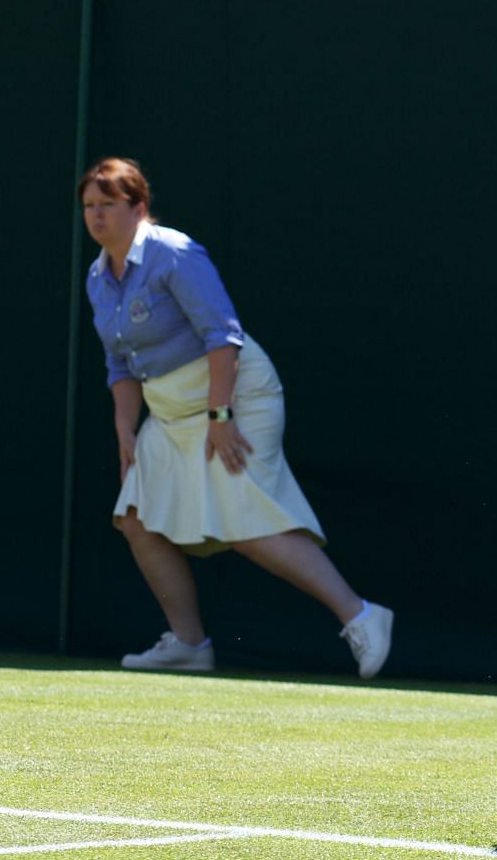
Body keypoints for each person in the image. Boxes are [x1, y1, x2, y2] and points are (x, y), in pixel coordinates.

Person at [78, 157, 393, 678]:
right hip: (172, 413)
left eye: (107, 205)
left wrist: (221, 414)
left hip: (237, 397)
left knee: (246, 522)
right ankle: (188, 643)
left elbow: (222, 335)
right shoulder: (97, 278)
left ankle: (360, 615)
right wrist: (123, 431)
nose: (96, 216)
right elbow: (119, 365)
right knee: (135, 518)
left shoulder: (173, 254)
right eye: (89, 206)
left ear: (138, 207)